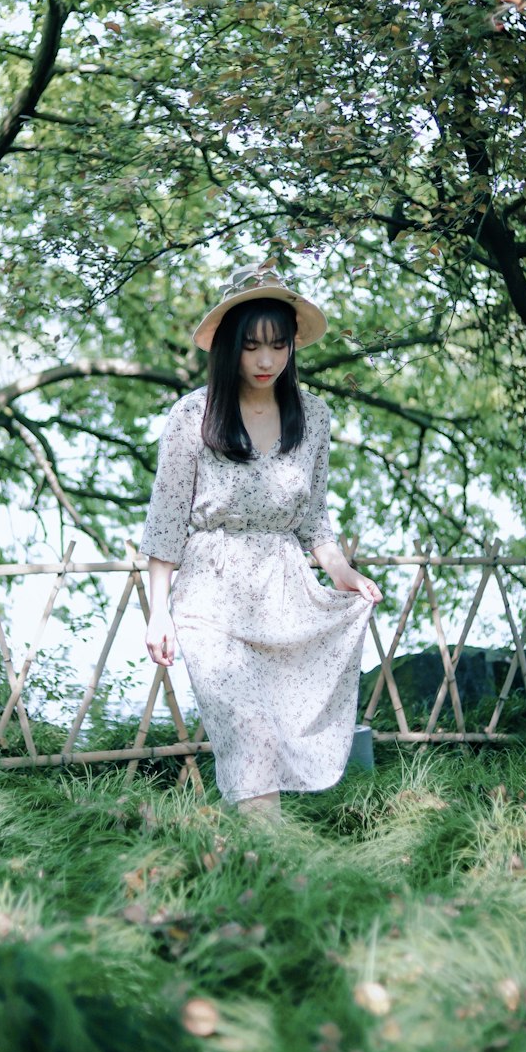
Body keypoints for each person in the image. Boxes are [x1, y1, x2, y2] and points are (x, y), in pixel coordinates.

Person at [140, 267, 382, 819]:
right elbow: (165, 523)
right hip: (209, 594)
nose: (266, 360)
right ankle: (267, 867)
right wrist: (159, 613)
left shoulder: (314, 418)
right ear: (230, 347)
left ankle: (261, 871)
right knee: (249, 728)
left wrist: (342, 572)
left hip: (283, 595)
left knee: (273, 732)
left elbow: (314, 518)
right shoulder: (191, 417)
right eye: (252, 346)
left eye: (279, 345)